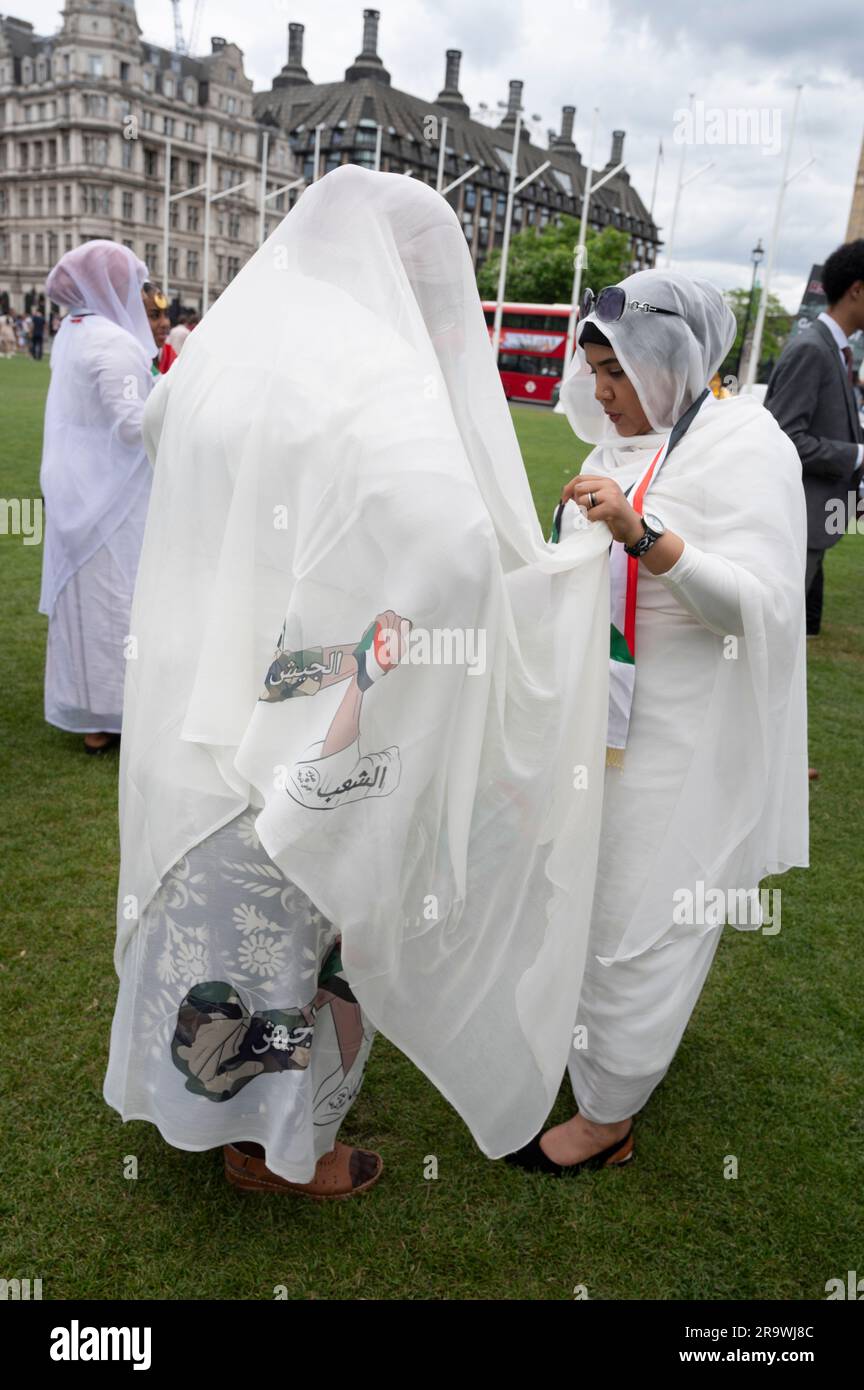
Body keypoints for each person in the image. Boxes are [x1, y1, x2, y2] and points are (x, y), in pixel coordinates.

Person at [103, 164, 614, 1199]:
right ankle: (292, 1152)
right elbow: (452, 548)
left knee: (200, 917)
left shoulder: (224, 352)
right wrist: (368, 673)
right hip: (301, 723)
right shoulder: (374, 371)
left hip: (197, 693)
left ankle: (209, 1117)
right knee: (294, 938)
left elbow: (159, 431)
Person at [506, 270, 809, 1176]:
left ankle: (608, 1117)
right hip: (593, 731)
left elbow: (760, 607)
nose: (598, 393)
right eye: (592, 370)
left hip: (678, 737)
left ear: (671, 362)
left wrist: (648, 539)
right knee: (579, 898)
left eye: (615, 373)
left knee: (642, 915)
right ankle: (598, 1051)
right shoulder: (617, 444)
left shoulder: (747, 447)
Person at [38, 240, 157, 753]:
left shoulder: (74, 331)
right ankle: (116, 710)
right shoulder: (112, 343)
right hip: (111, 492)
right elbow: (133, 426)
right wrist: (179, 397)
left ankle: (91, 709)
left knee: (86, 601)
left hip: (76, 484)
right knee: (115, 596)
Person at [764, 241, 864, 639]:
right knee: (774, 640)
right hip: (796, 522)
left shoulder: (834, 350)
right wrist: (856, 455)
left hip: (814, 521)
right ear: (856, 289)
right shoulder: (813, 349)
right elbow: (783, 437)